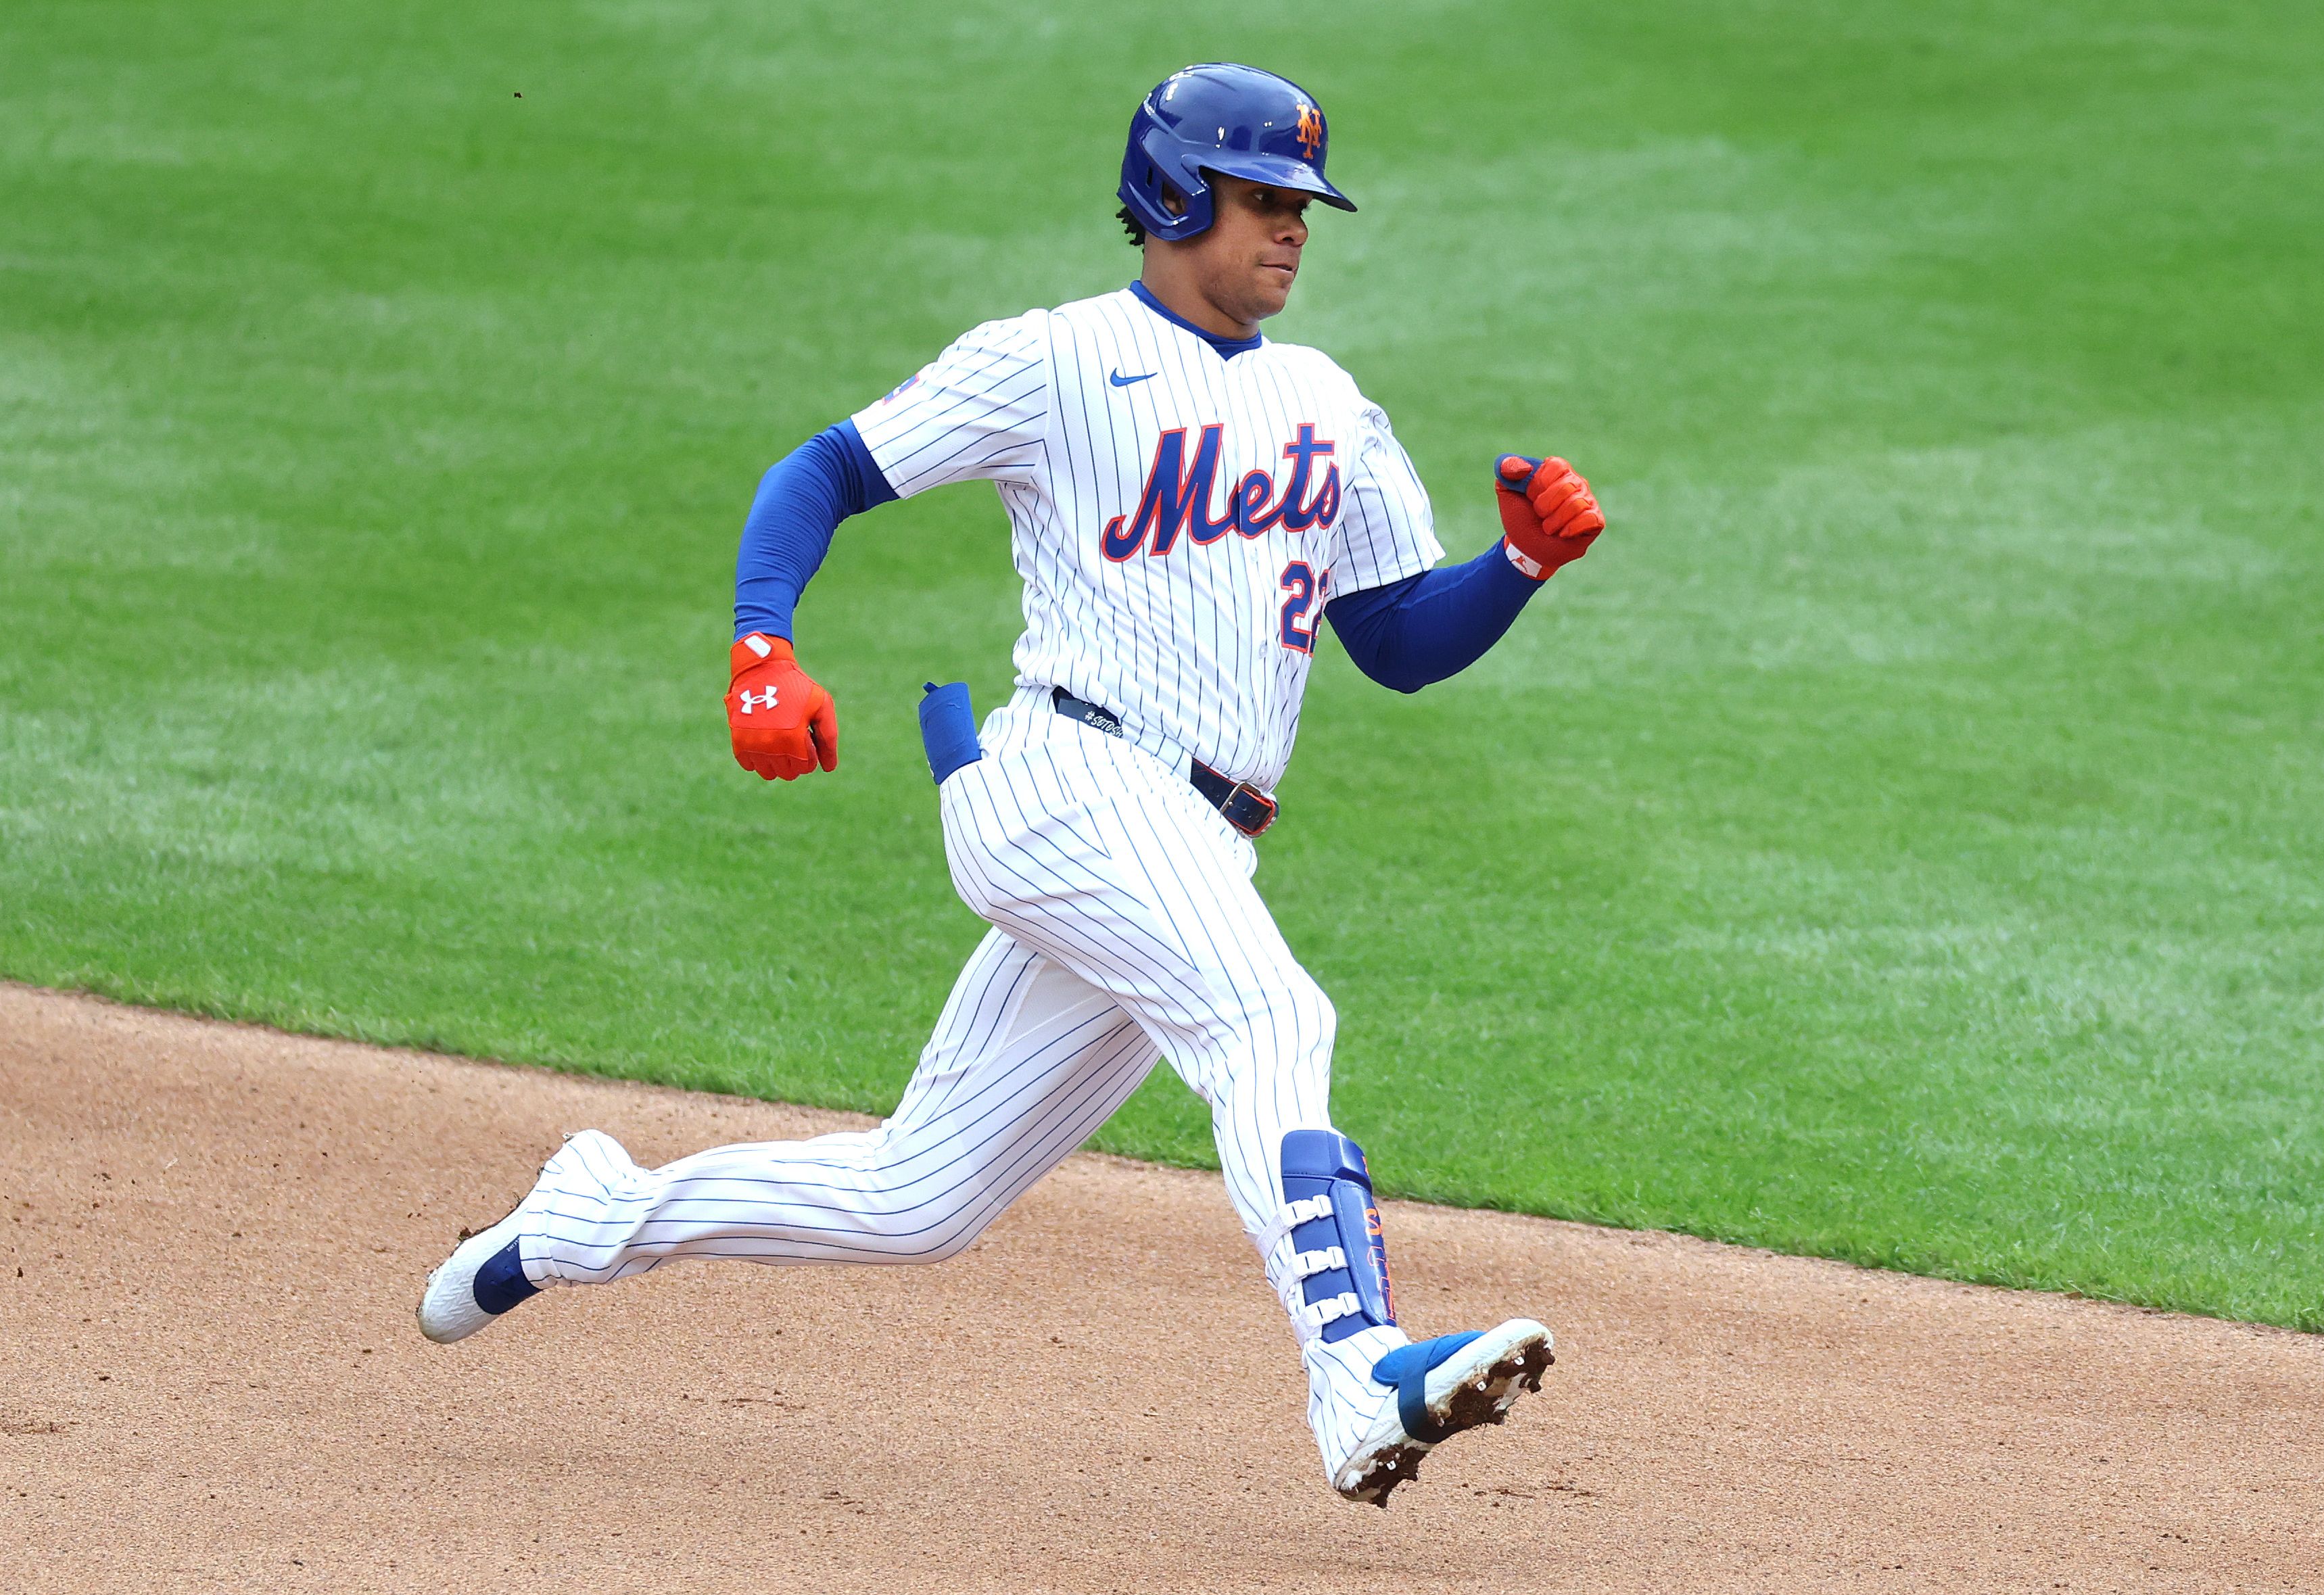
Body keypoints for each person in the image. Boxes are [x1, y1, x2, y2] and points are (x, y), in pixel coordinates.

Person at [414, 64, 1608, 1507]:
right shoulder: (1052, 361)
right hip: (1066, 786)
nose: (1293, 226)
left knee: (916, 1196)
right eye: (1261, 198)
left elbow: (1397, 642)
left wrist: (1520, 565)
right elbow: (823, 472)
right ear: (1173, 196)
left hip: (1192, 842)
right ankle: (1354, 1369)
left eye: (1303, 203)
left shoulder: (1329, 404)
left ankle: (590, 1216)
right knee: (1271, 1016)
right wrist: (760, 647)